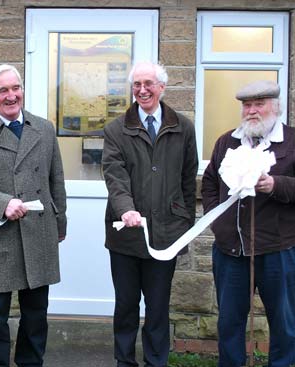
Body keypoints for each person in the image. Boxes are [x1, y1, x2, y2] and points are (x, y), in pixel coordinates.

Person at [0, 64, 67, 367]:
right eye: (2, 90)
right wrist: (2, 203)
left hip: (39, 231)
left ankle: (31, 363)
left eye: (15, 88)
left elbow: (56, 179)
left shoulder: (44, 129)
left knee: (35, 314)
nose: (11, 95)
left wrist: (60, 223)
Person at [201, 80, 295, 367]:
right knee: (229, 322)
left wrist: (275, 184)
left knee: (284, 322)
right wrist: (219, 220)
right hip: (231, 250)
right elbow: (210, 183)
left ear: (275, 107)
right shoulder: (227, 141)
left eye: (259, 104)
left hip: (280, 249)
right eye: (247, 105)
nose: (252, 111)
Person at [102, 61, 198, 367]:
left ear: (162, 87)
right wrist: (126, 209)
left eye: (148, 84)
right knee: (127, 305)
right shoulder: (116, 129)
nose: (142, 90)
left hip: (166, 235)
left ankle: (157, 362)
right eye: (136, 85)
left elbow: (188, 178)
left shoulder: (183, 127)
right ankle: (124, 361)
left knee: (158, 306)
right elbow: (115, 177)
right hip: (126, 234)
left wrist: (184, 223)